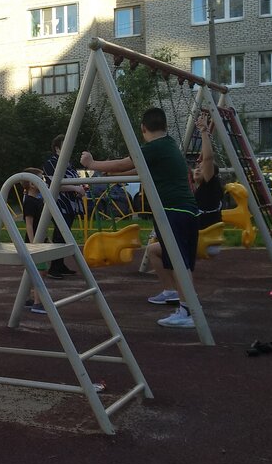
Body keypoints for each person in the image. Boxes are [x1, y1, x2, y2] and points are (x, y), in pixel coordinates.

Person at [80, 107, 199, 328]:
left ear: (143, 128)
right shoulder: (169, 144)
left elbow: (126, 162)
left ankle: (189, 311)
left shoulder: (154, 147)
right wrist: (113, 174)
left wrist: (91, 164)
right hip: (185, 210)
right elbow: (136, 169)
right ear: (165, 126)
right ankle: (183, 303)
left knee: (179, 263)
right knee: (173, 258)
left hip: (174, 210)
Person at [145, 111, 223, 304]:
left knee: (176, 257)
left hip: (206, 237)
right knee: (154, 250)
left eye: (201, 169)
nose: (197, 169)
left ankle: (186, 302)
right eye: (196, 167)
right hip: (200, 233)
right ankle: (172, 292)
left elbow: (207, 158)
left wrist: (204, 131)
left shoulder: (210, 184)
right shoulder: (193, 191)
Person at [42, 134, 85, 279]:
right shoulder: (51, 163)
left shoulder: (68, 163)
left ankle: (59, 265)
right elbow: (54, 184)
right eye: (65, 146)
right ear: (57, 148)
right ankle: (54, 267)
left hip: (70, 204)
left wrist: (79, 188)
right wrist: (75, 188)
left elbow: (73, 179)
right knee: (60, 235)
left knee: (63, 235)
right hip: (59, 204)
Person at [21, 168, 49, 315]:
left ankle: (26, 299)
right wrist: (34, 243)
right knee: (40, 271)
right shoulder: (30, 202)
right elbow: (29, 224)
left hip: (40, 239)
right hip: (34, 241)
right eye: (40, 179)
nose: (43, 182)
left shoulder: (37, 200)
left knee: (32, 271)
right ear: (32, 184)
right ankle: (38, 303)